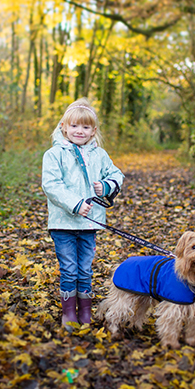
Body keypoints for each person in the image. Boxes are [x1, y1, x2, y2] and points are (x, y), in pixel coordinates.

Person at [41, 98, 124, 329]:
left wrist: (106, 186)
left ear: (93, 130)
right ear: (64, 127)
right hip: (63, 224)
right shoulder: (54, 154)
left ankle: (85, 311)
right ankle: (69, 313)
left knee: (85, 269)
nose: (80, 131)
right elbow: (51, 185)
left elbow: (117, 174)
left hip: (89, 225)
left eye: (86, 127)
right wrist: (76, 203)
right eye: (75, 126)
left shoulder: (99, 155)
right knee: (69, 269)